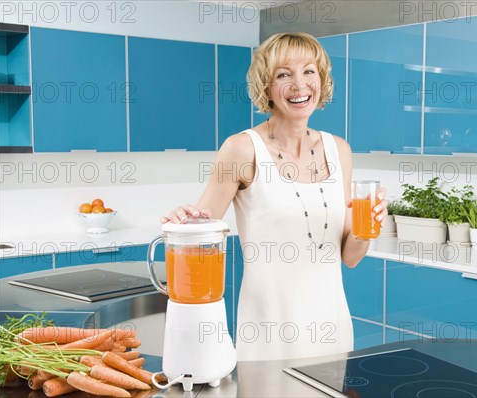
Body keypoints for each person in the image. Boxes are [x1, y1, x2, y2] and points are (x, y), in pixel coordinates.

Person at [161, 32, 388, 361]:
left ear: (321, 81)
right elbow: (199, 231)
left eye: (309, 71)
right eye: (284, 74)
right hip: (268, 333)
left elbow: (350, 256)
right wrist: (183, 222)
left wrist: (370, 228)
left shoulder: (339, 150)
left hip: (332, 328)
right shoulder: (241, 149)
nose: (300, 85)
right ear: (266, 86)